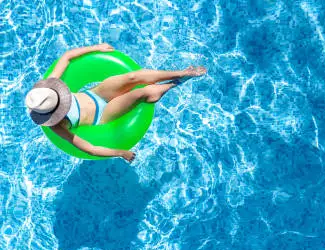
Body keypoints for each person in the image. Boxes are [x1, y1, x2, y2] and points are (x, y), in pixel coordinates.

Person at [25, 43, 207, 162]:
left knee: (133, 76)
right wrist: (121, 152)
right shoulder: (55, 126)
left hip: (96, 93)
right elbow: (90, 148)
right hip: (102, 115)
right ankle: (174, 84)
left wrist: (96, 48)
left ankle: (181, 73)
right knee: (142, 93)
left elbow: (66, 57)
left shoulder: (49, 89)